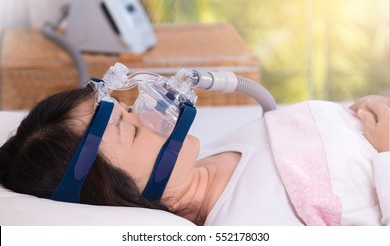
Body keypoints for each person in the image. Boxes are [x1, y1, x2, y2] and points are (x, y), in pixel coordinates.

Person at [0, 81, 388, 226]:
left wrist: (357, 111)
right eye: (134, 132)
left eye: (130, 112)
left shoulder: (211, 160)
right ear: (118, 194)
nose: (154, 118)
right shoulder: (249, 228)